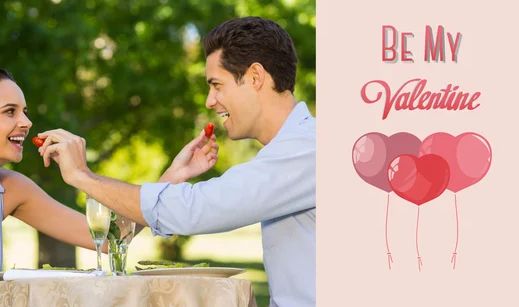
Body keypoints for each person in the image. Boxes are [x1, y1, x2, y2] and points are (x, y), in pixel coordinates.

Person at [38, 16, 316, 306]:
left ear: (255, 77)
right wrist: (171, 177)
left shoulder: (307, 148)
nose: (210, 101)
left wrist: (82, 175)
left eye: (217, 85)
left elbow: (198, 209)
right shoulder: (295, 147)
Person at [0, 63, 218, 306]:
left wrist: (171, 177)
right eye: (10, 111)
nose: (26, 122)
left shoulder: (11, 189)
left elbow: (109, 239)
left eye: (25, 111)